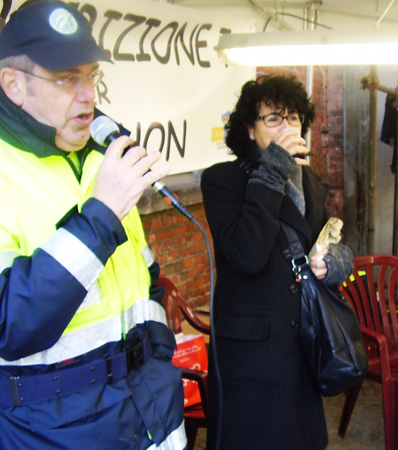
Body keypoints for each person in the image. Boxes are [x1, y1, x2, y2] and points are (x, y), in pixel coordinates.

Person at [0, 1, 185, 449]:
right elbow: (8, 323)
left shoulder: (102, 161)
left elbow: (146, 281)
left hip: (150, 411)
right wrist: (100, 215)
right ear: (13, 85)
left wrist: (157, 358)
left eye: (91, 77)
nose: (88, 96)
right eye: (67, 79)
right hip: (57, 429)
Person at [200, 74, 353, 450]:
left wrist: (336, 262)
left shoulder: (310, 181)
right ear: (250, 130)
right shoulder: (223, 180)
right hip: (251, 351)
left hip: (301, 341)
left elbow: (327, 243)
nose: (287, 127)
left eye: (294, 118)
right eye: (273, 118)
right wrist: (274, 167)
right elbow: (246, 255)